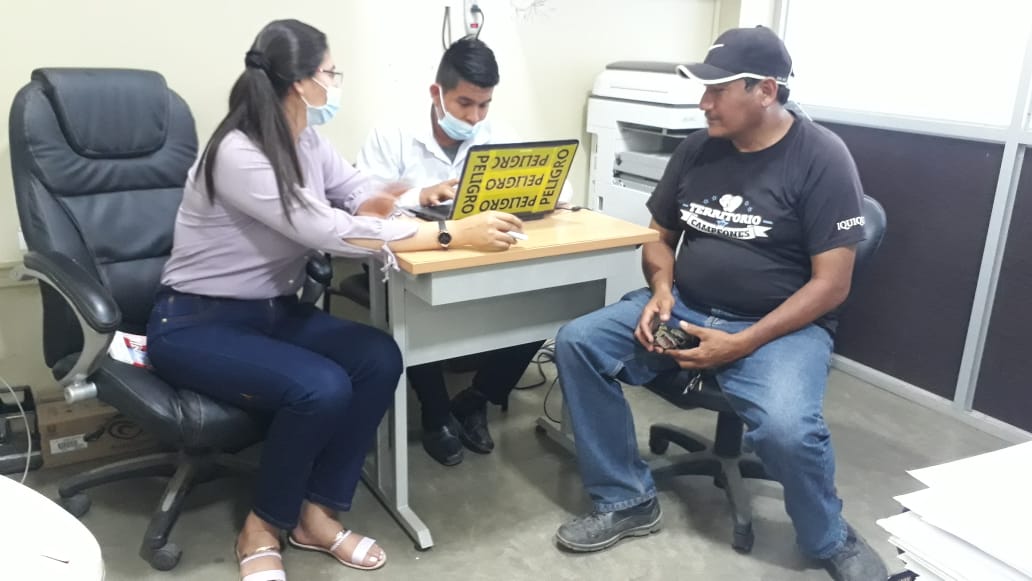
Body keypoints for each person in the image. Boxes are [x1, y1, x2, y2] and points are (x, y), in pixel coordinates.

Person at [146, 19, 524, 580]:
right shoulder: (238, 152)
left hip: (272, 312)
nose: (335, 81)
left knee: (380, 356)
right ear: (302, 82)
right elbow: (323, 228)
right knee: (319, 387)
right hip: (196, 321)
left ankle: (316, 515)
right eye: (330, 72)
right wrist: (448, 234)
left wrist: (418, 196)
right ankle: (261, 527)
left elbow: (353, 191)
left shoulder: (306, 139)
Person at [550, 26, 888, 581]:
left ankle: (829, 537)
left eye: (718, 90)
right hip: (686, 305)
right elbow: (658, 236)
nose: (703, 103)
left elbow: (832, 285)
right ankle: (627, 499)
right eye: (704, 90)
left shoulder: (822, 158)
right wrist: (662, 290)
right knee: (579, 343)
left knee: (787, 429)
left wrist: (742, 342)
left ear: (766, 91)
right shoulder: (698, 149)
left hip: (779, 328)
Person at [357, 37, 565, 467]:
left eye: (484, 105)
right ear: (437, 93)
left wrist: (542, 191)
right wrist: (419, 195)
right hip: (409, 259)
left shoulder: (497, 134)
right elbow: (361, 205)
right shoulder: (392, 133)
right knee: (415, 311)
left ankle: (476, 399)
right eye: (464, 103)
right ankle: (436, 415)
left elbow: (550, 186)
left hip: (479, 256)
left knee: (541, 304)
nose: (474, 117)